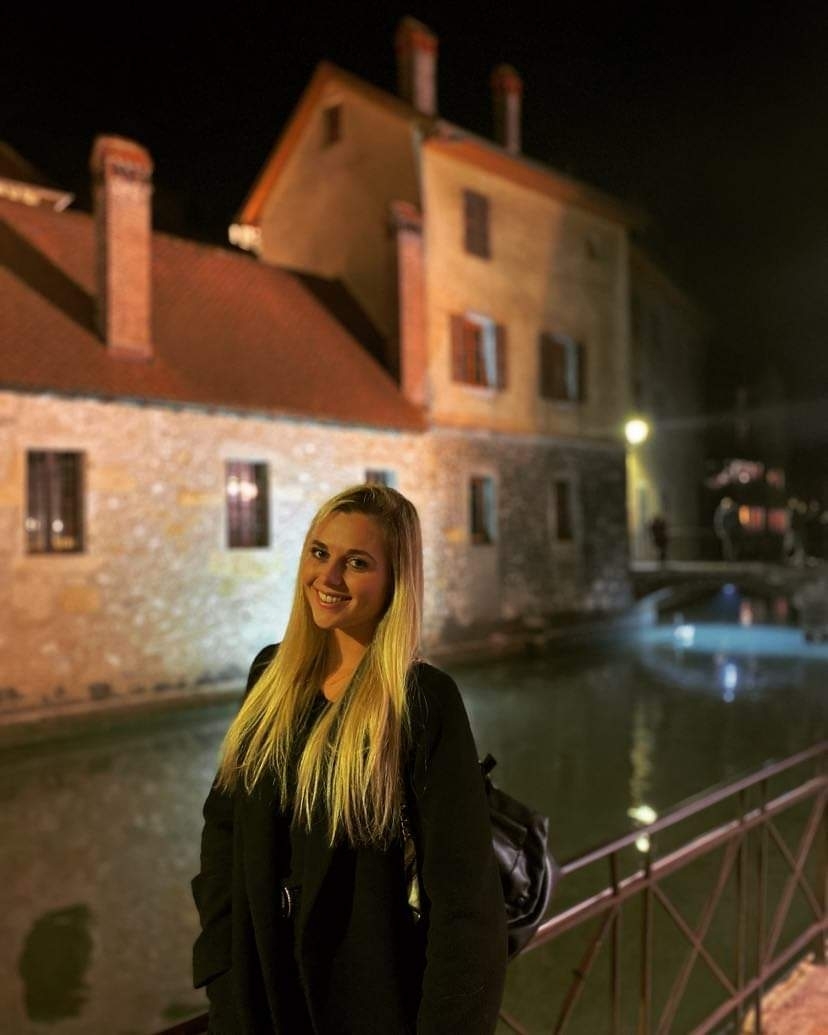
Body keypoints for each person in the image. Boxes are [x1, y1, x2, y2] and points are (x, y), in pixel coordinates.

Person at [191, 484, 507, 1034]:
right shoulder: (270, 676)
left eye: (357, 563)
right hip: (258, 998)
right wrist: (222, 969)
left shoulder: (422, 703)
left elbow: (465, 906)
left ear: (395, 581)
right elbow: (223, 830)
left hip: (368, 1005)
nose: (328, 577)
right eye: (320, 553)